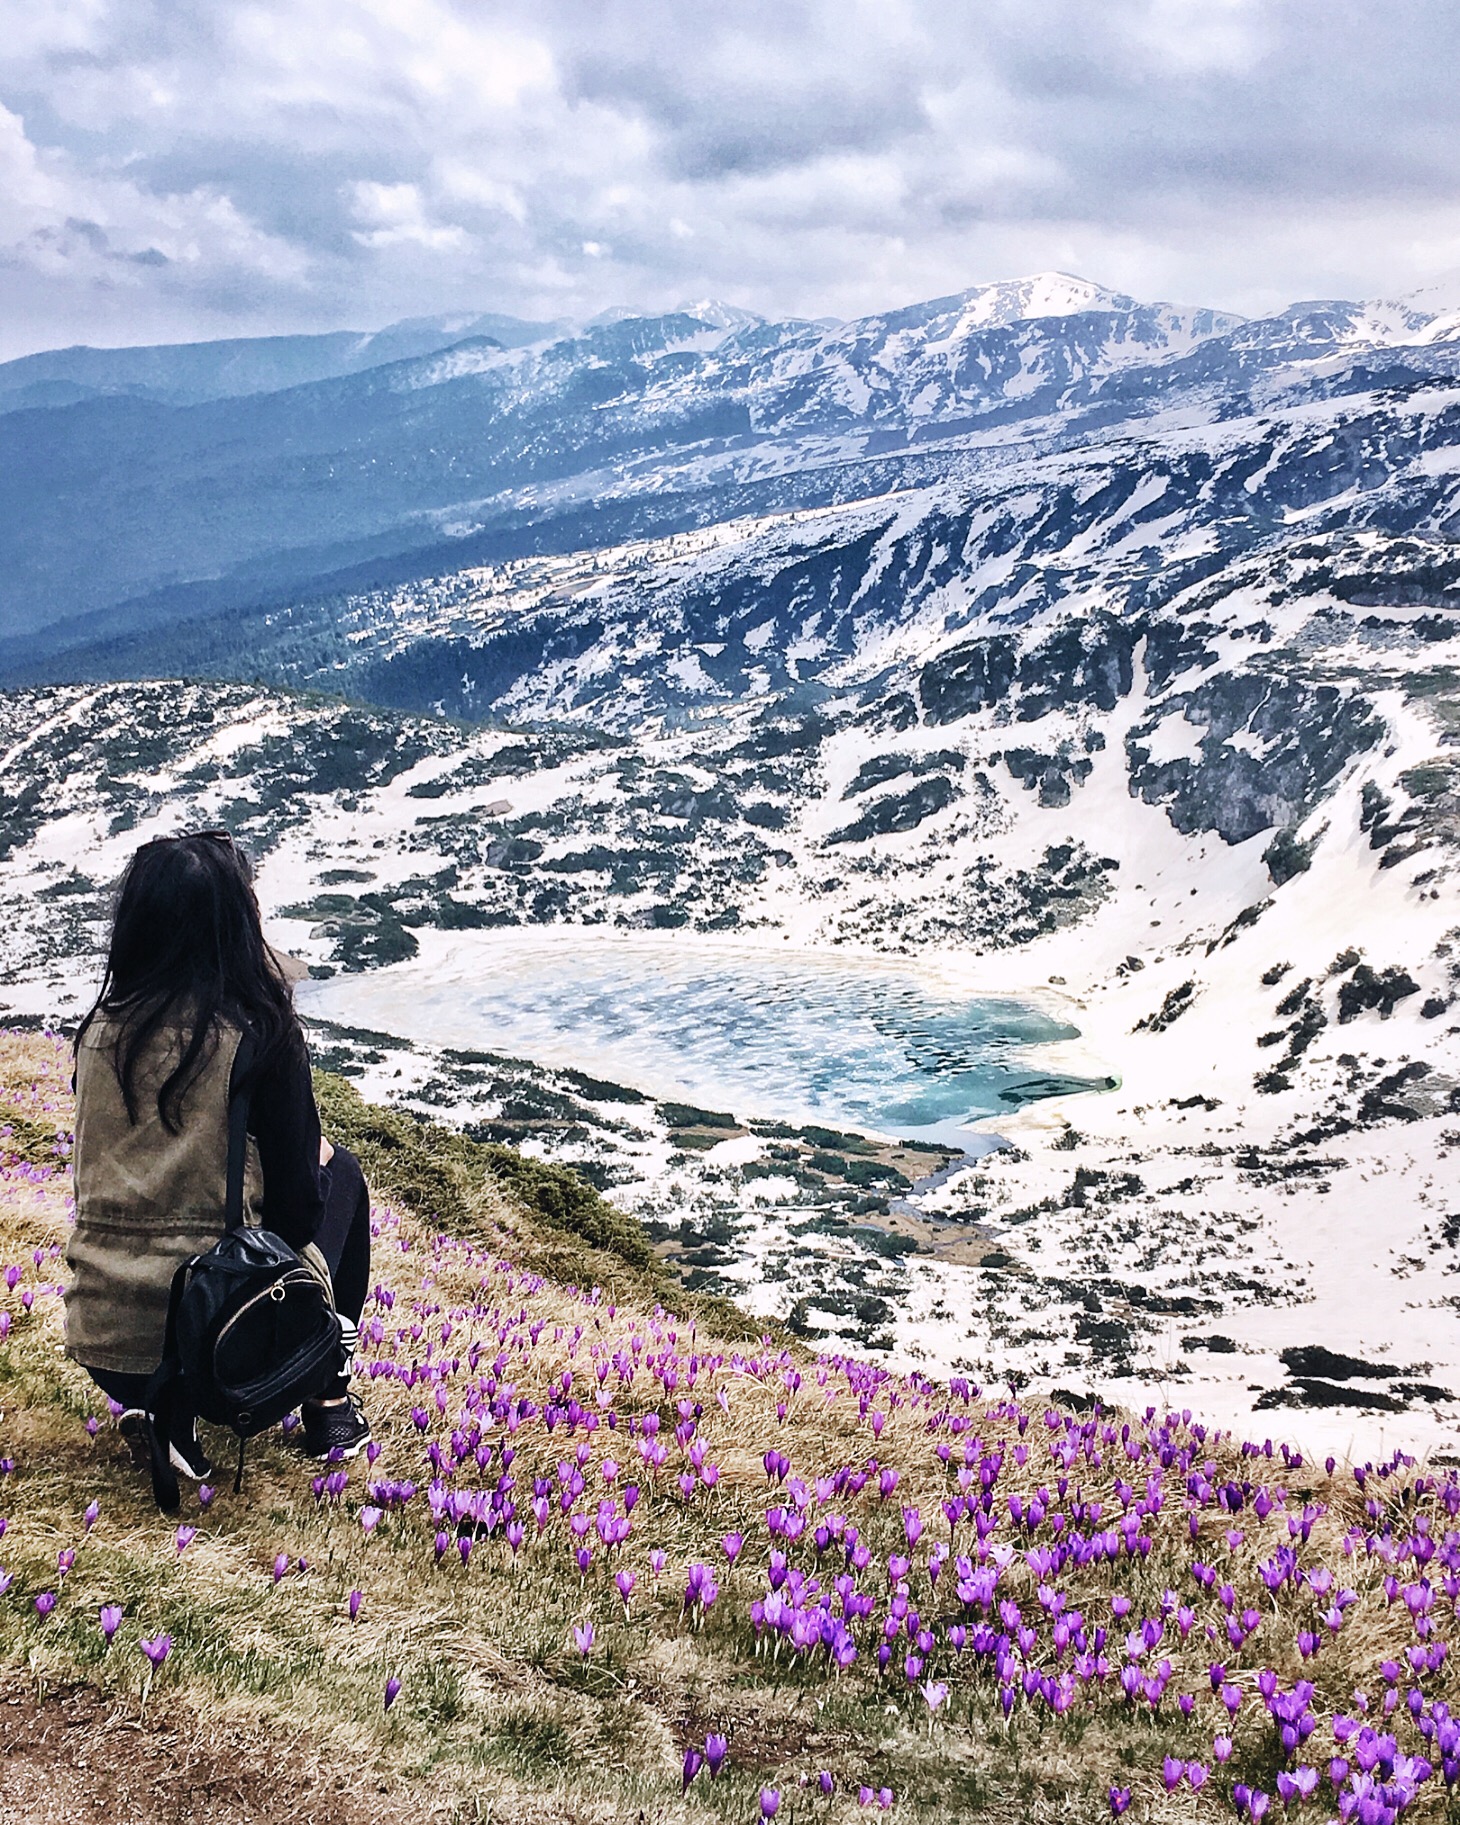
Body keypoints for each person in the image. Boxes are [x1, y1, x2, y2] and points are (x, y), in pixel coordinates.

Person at [65, 830, 371, 1475]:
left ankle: (160, 1410)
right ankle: (326, 1399)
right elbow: (296, 1210)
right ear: (238, 924)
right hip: (221, 1338)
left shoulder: (96, 1031)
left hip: (103, 1334)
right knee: (341, 1173)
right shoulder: (257, 1036)